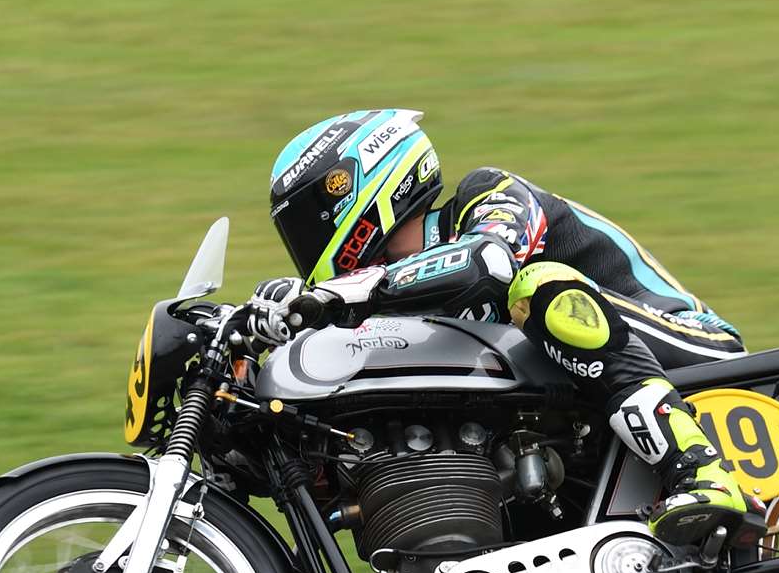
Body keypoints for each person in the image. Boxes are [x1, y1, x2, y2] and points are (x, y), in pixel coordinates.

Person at [247, 108, 751, 547]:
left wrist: (343, 295)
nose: (306, 246)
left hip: (687, 345)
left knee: (538, 289)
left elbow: (491, 260)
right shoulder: (385, 304)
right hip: (584, 418)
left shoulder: (485, 193)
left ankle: (698, 469)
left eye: (310, 222)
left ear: (365, 186)